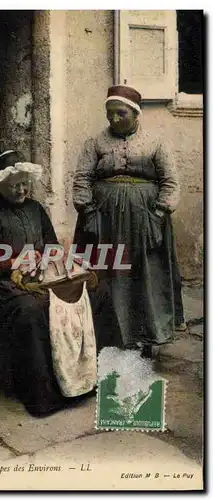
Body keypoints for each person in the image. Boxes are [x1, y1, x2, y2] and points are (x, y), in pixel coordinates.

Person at [0, 150, 95, 417]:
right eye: (14, 185)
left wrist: (59, 262)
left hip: (36, 280)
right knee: (33, 310)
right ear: (0, 185)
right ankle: (42, 397)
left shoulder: (36, 209)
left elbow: (52, 247)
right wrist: (13, 261)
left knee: (86, 293)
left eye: (25, 183)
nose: (22, 189)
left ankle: (78, 383)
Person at [73, 85, 185, 358]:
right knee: (108, 274)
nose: (113, 119)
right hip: (104, 220)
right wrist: (88, 213)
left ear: (136, 114)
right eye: (109, 114)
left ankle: (146, 336)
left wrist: (158, 215)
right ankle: (107, 337)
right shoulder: (96, 143)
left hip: (144, 219)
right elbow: (82, 179)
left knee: (145, 275)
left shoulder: (156, 142)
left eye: (120, 113)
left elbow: (170, 183)